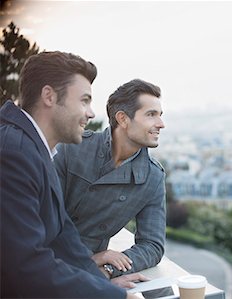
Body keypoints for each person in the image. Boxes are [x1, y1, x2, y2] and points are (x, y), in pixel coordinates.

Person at [0, 51, 146, 298]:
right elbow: (27, 265)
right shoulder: (14, 153)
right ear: (49, 96)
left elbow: (65, 243)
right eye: (84, 100)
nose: (90, 113)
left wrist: (105, 287)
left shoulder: (37, 150)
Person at [54, 79, 166, 278]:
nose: (161, 124)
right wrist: (88, 259)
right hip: (42, 260)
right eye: (151, 115)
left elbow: (152, 245)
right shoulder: (73, 148)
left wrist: (109, 269)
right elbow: (45, 217)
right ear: (123, 119)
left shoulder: (152, 177)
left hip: (89, 274)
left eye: (160, 115)